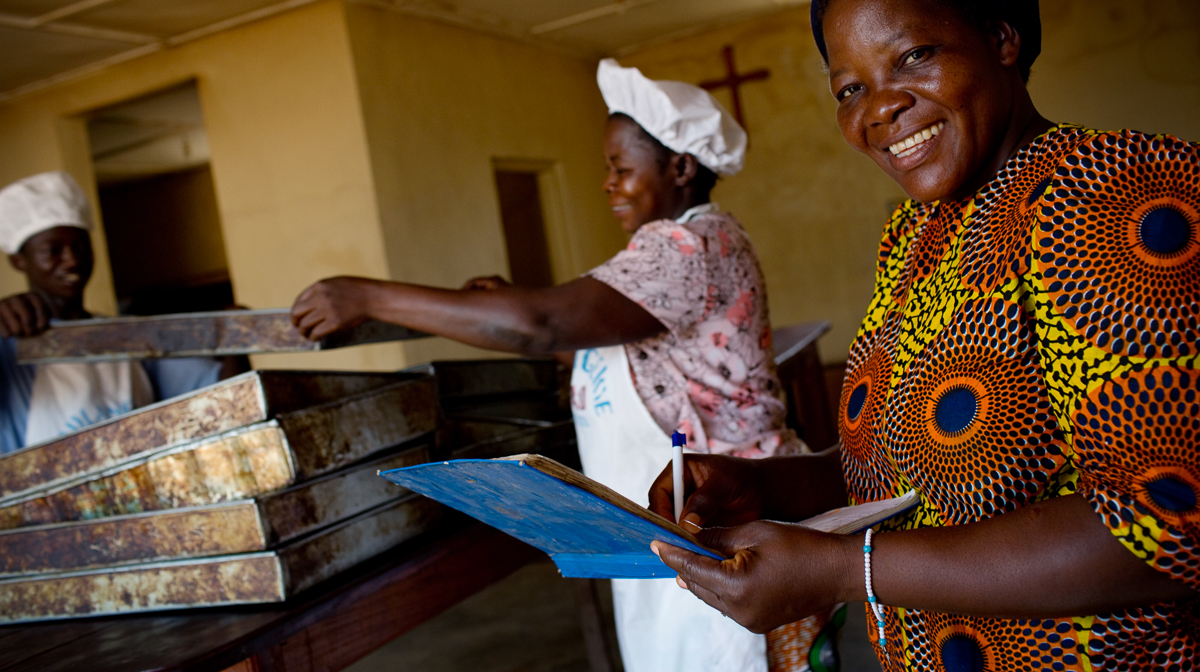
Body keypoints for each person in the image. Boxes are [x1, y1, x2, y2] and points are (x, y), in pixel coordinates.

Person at [646, 0, 1199, 671]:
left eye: (912, 56)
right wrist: (763, 488)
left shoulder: (1109, 193)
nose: (879, 108)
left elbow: (1166, 526)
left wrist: (845, 569)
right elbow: (914, 465)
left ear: (1002, 39)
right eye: (848, 88)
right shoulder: (917, 235)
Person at [291, 60, 834, 672]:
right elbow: (618, 350)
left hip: (725, 524)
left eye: (621, 168)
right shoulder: (685, 244)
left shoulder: (688, 244)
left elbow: (542, 323)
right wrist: (503, 304)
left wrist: (368, 297)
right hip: (684, 529)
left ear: (681, 167)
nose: (607, 184)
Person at [0, 172, 243, 452]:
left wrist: (235, 337)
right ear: (19, 260)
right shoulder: (8, 347)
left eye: (80, 245)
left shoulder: (130, 337)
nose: (72, 259)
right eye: (53, 250)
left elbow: (222, 400)